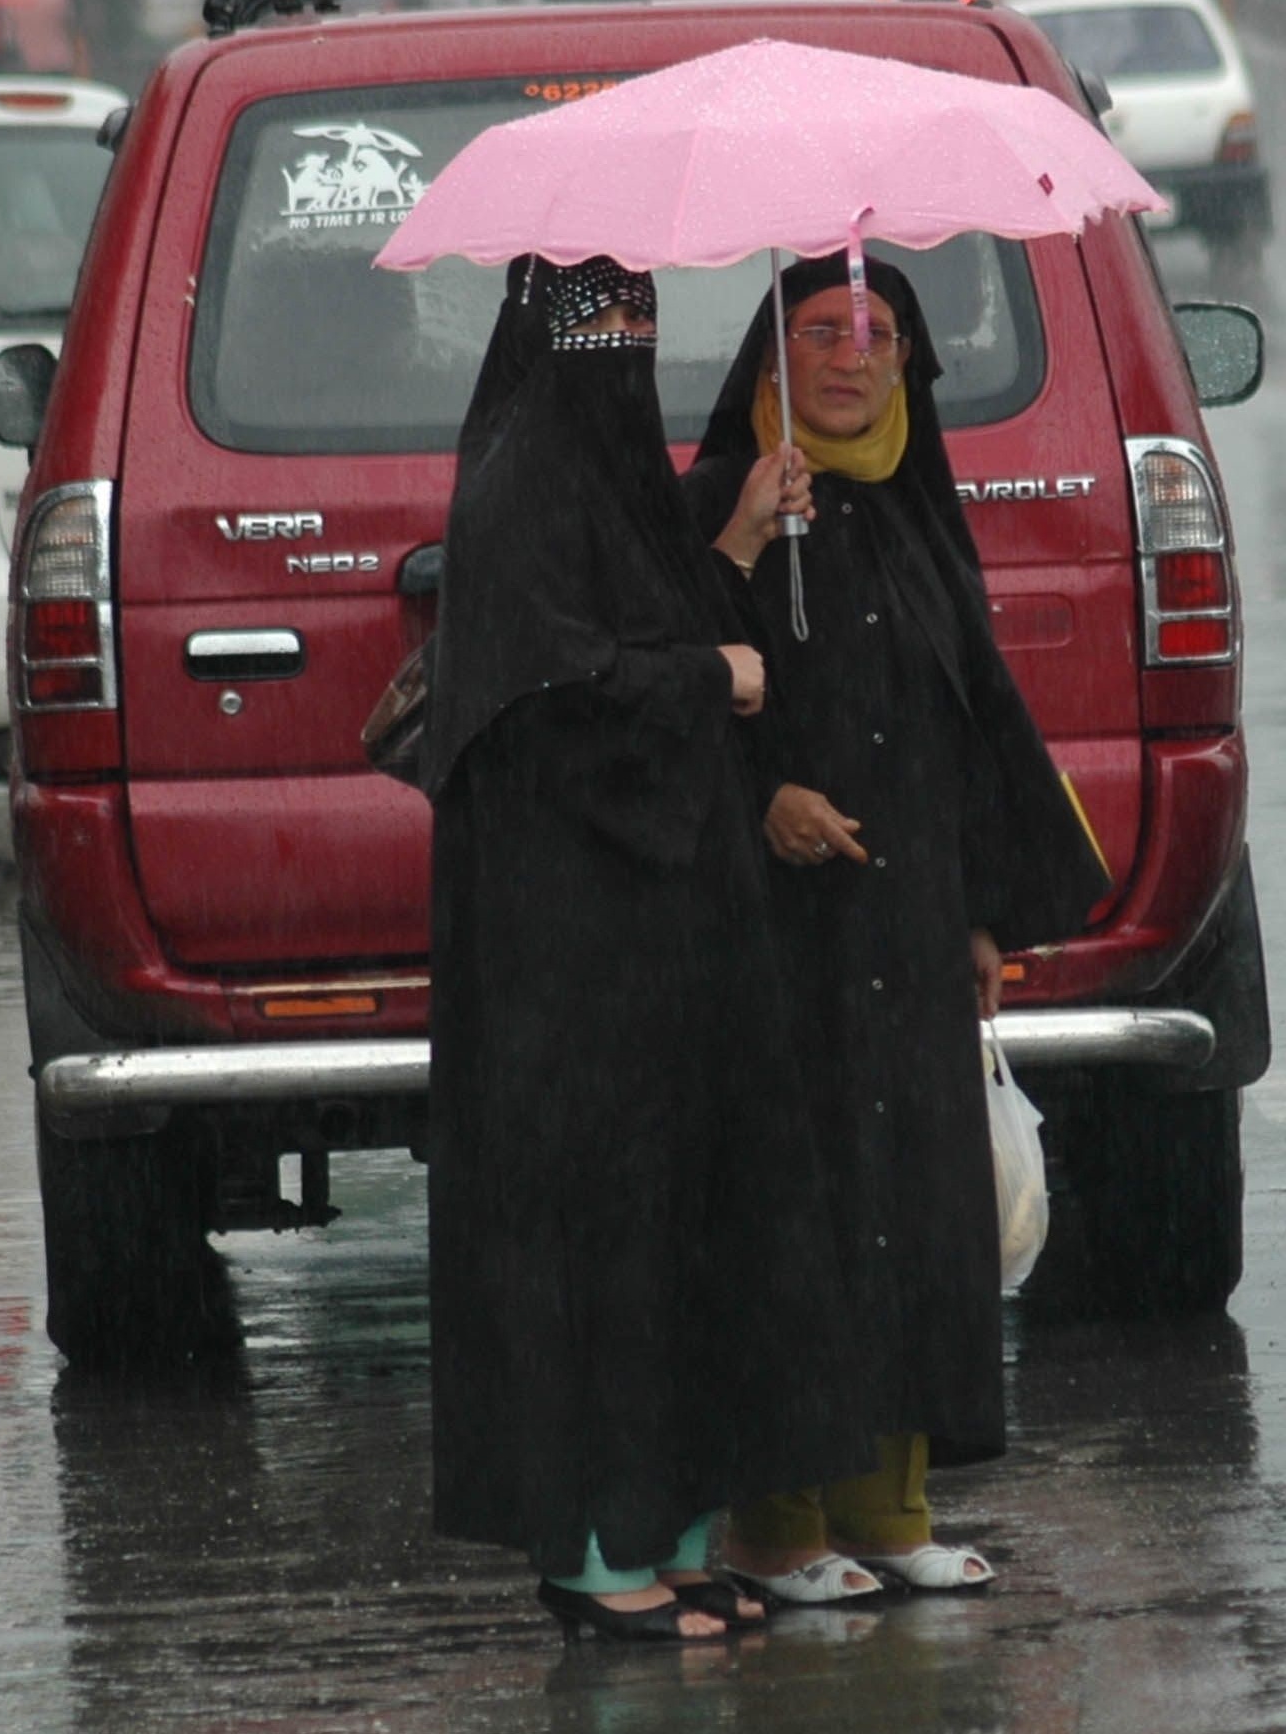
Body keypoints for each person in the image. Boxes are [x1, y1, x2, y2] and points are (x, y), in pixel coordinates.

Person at [421, 255, 873, 1640]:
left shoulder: (617, 479)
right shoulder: (519, 487)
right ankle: (597, 1553)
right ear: (545, 331)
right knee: (599, 1244)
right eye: (594, 320)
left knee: (690, 1229)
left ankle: (672, 1530)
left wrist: (730, 544)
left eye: (640, 319)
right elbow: (558, 689)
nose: (622, 345)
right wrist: (707, 675)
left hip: (674, 936)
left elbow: (655, 627)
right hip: (573, 953)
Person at [683, 253, 1109, 1599]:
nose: (851, 358)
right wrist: (765, 799)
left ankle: (890, 1508)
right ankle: (779, 1519)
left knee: (915, 1212)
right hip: (779, 933)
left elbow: (970, 712)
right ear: (772, 356)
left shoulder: (920, 504)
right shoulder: (718, 507)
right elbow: (660, 695)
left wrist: (984, 909)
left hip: (912, 918)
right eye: (819, 331)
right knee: (801, 1211)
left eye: (878, 333)